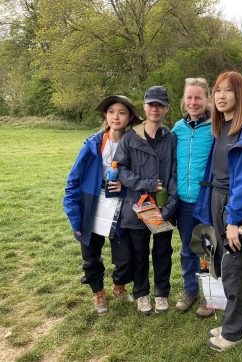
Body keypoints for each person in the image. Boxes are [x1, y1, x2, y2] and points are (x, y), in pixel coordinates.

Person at [193, 71, 242, 352]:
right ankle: (232, 322)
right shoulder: (220, 127)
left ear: (240, 95)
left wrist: (234, 219)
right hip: (216, 200)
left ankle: (235, 332)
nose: (221, 96)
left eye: (228, 91)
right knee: (224, 265)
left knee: (236, 269)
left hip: (235, 205)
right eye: (218, 91)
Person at [63, 95, 139, 315]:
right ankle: (98, 292)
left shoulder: (134, 144)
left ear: (130, 117)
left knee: (126, 257)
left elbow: (137, 180)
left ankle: (119, 286)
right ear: (106, 115)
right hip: (91, 206)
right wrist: (75, 218)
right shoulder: (93, 144)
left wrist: (123, 188)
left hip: (120, 207)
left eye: (122, 112)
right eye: (111, 111)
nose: (116, 116)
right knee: (90, 256)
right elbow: (73, 182)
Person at [114, 86, 177, 315]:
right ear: (144, 107)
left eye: (160, 105)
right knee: (139, 254)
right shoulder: (130, 137)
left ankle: (161, 293)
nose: (155, 109)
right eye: (151, 104)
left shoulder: (170, 138)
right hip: (137, 207)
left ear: (166, 109)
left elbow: (174, 174)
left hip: (162, 208)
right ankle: (142, 294)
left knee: (162, 252)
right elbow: (120, 169)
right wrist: (147, 184)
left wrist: (170, 205)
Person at [172, 78, 215, 317]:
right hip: (183, 201)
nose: (193, 102)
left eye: (198, 97)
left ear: (207, 99)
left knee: (207, 249)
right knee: (188, 248)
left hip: (207, 200)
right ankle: (190, 290)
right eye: (189, 97)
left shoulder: (216, 126)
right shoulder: (177, 128)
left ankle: (211, 296)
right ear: (183, 100)